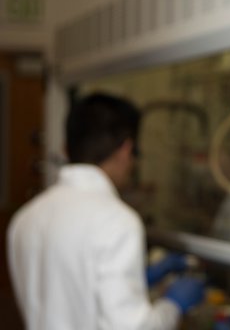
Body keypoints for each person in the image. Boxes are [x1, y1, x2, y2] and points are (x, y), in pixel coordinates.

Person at [7, 92, 205, 330]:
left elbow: (67, 289)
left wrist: (142, 276)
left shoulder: (25, 218)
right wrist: (174, 304)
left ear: (65, 149)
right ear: (126, 149)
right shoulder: (117, 222)